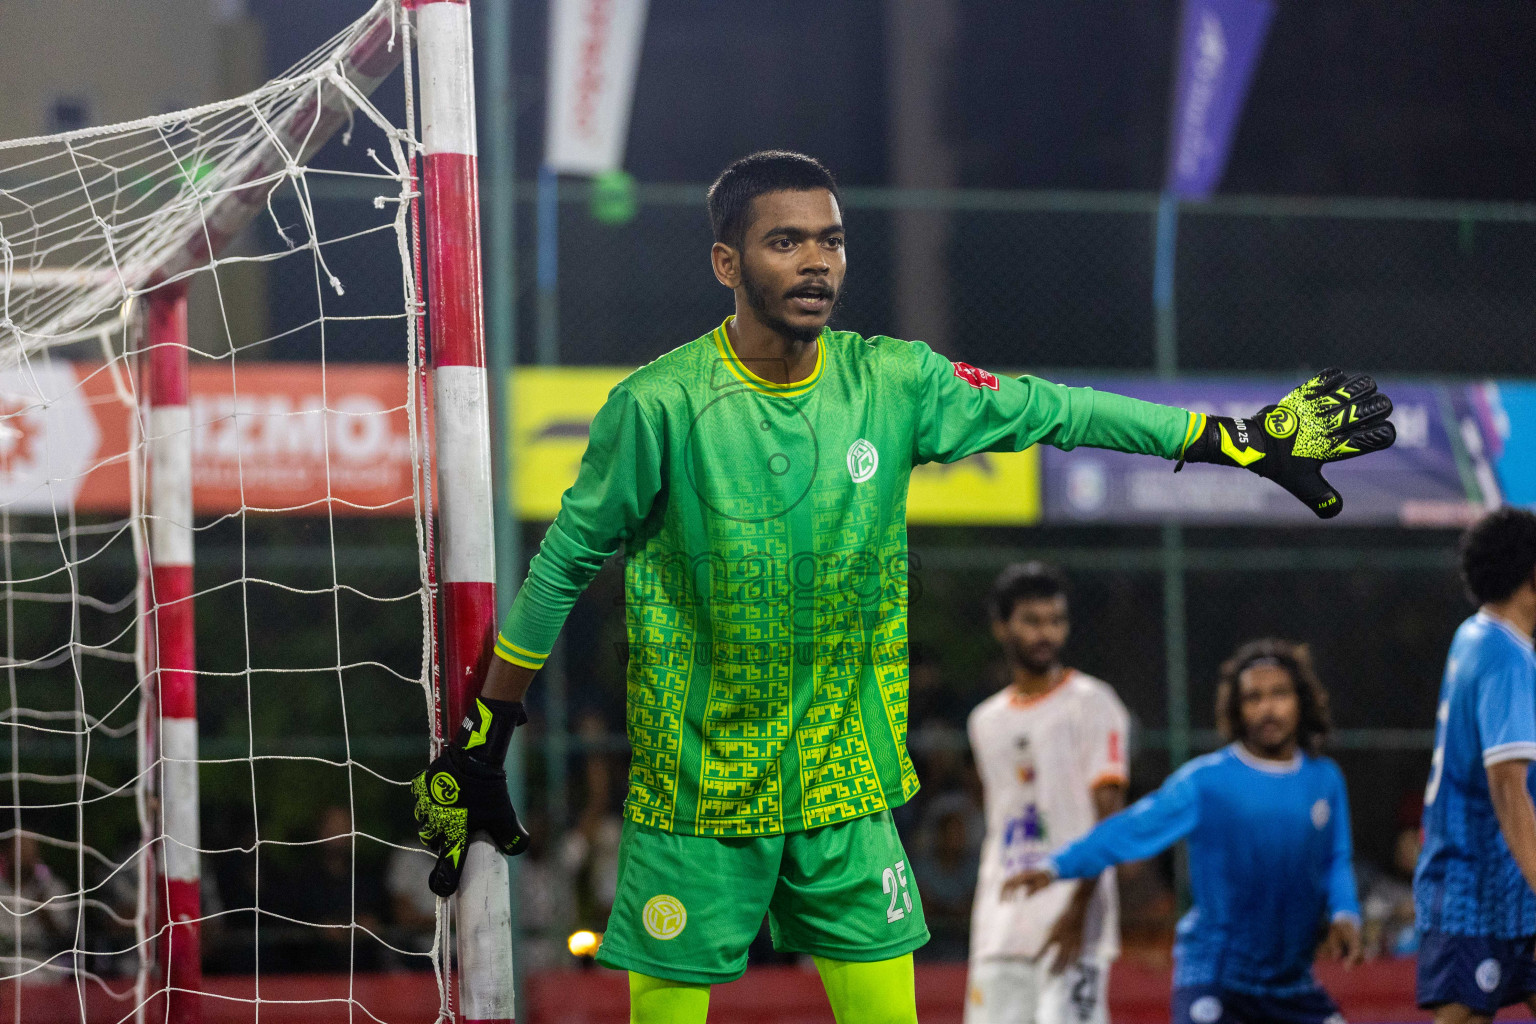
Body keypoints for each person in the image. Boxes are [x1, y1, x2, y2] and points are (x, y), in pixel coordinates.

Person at [408, 151, 1396, 1024]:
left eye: (831, 242)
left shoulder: (894, 381)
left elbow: (1059, 408)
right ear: (727, 263)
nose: (816, 263)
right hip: (695, 797)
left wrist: (1229, 440)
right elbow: (561, 566)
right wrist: (491, 732)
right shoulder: (658, 404)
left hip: (846, 786)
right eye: (786, 241)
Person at [1011, 638, 1363, 1024]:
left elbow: (1335, 858)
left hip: (1293, 986)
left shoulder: (1324, 779)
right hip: (1217, 980)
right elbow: (1131, 829)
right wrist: (1057, 865)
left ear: (1302, 701)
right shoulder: (1206, 782)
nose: (1267, 708)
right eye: (1253, 698)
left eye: (1279, 694)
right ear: (1237, 708)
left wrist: (1346, 913)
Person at [965, 562, 1130, 1024]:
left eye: (1056, 621)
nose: (1046, 634)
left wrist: (1079, 909)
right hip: (1000, 924)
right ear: (1002, 627)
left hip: (1073, 924)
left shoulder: (1093, 703)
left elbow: (1110, 822)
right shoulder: (985, 720)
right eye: (1032, 621)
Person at [1414, 507, 1536, 1023]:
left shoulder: (1477, 635)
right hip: (1473, 881)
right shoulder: (1504, 654)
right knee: (1463, 1015)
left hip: (1507, 878)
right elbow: (1508, 788)